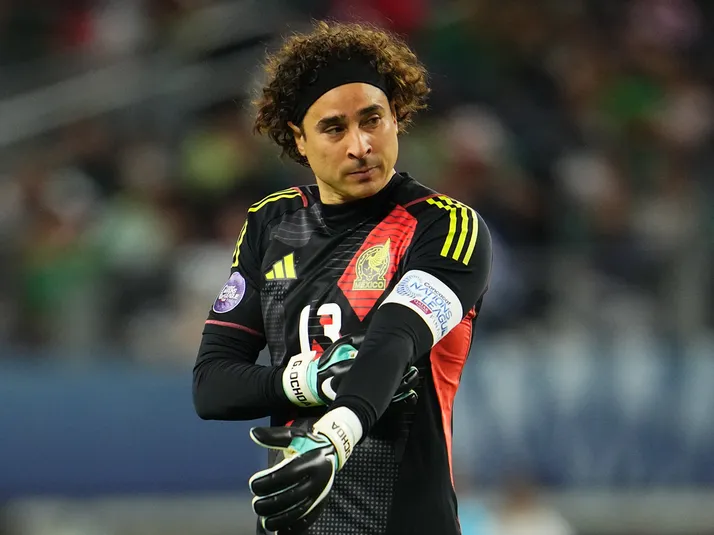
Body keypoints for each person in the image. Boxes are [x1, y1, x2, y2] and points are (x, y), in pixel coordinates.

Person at [192, 20, 493, 535]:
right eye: (334, 128)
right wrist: (308, 379)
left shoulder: (445, 225)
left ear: (396, 117)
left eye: (372, 119)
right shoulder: (271, 223)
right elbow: (212, 386)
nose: (360, 145)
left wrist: (336, 435)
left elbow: (394, 341)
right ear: (299, 139)